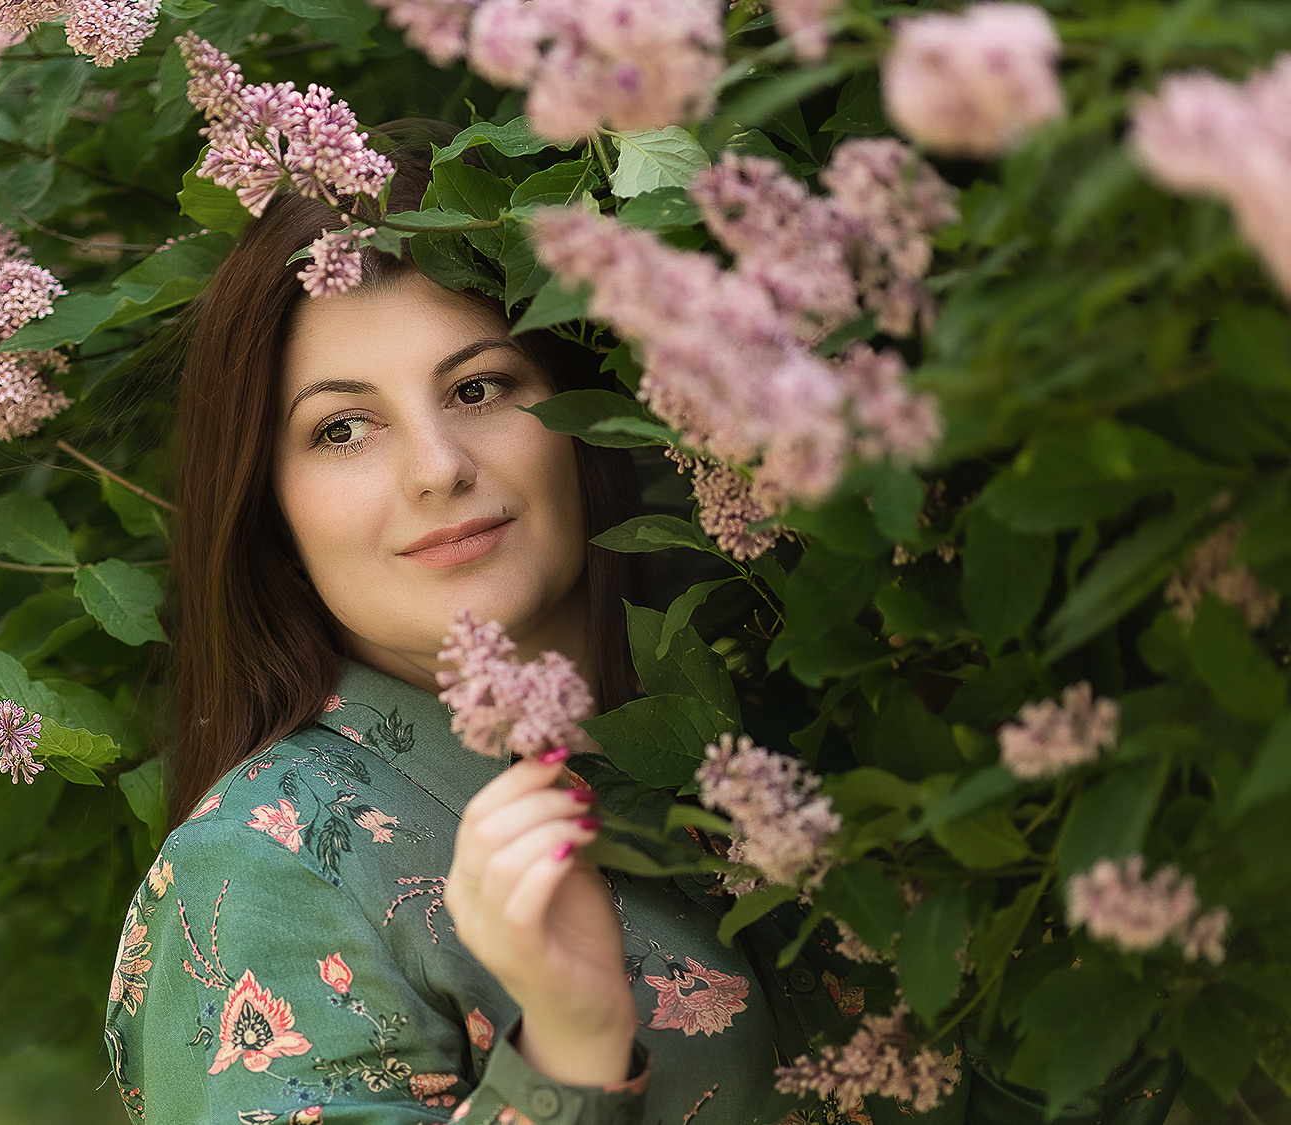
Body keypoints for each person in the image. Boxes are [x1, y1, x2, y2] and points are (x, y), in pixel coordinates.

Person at [103, 140, 1175, 1125]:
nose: (437, 468)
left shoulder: (791, 703)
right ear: (269, 509)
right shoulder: (267, 869)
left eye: (479, 386)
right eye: (342, 428)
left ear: (581, 416)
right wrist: (566, 1058)